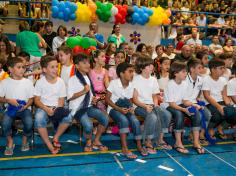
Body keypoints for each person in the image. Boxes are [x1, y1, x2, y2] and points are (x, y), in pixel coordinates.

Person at [106, 62, 147, 159]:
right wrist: (118, 109)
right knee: (123, 120)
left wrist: (131, 107)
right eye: (130, 71)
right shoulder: (114, 83)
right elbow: (107, 99)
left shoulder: (131, 85)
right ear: (121, 73)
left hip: (125, 108)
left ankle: (139, 145)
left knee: (135, 121)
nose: (132, 74)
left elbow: (129, 100)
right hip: (114, 109)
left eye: (133, 71)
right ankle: (124, 148)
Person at [68, 54, 108, 152]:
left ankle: (97, 140)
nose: (87, 65)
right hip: (77, 108)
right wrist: (83, 91)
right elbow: (69, 97)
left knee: (104, 118)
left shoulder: (87, 77)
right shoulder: (72, 79)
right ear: (77, 66)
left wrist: (93, 99)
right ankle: (89, 142)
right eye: (84, 63)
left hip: (88, 106)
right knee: (88, 125)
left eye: (88, 62)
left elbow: (89, 94)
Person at [133, 56, 172, 153]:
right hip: (139, 106)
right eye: (148, 65)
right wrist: (145, 106)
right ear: (142, 68)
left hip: (151, 104)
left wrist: (155, 104)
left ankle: (159, 139)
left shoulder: (153, 79)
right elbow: (134, 99)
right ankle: (148, 141)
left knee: (167, 114)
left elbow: (155, 95)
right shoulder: (135, 79)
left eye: (151, 65)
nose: (151, 67)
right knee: (153, 117)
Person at [34, 56, 72, 154]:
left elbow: (61, 100)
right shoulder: (40, 82)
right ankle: (49, 145)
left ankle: (56, 137)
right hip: (43, 107)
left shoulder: (60, 82)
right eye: (52, 67)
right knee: (39, 118)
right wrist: (46, 109)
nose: (56, 69)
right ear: (44, 70)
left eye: (56, 66)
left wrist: (56, 109)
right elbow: (37, 100)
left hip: (57, 107)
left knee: (68, 118)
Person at [164, 61, 202, 154]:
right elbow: (172, 104)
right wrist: (184, 109)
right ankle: (178, 143)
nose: (186, 74)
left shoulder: (185, 83)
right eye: (184, 72)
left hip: (181, 104)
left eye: (186, 71)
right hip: (169, 106)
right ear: (175, 73)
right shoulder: (170, 84)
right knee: (179, 114)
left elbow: (185, 100)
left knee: (196, 113)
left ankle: (196, 142)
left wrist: (194, 105)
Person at [0, 57, 34, 155]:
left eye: (23, 67)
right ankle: (10, 141)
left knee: (29, 123)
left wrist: (26, 105)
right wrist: (8, 100)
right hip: (10, 109)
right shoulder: (4, 82)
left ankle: (25, 138)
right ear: (10, 69)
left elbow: (31, 99)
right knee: (5, 123)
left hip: (25, 109)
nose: (22, 69)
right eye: (19, 67)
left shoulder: (27, 82)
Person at [202, 59, 236, 139]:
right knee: (218, 113)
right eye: (221, 68)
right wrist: (219, 106)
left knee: (233, 112)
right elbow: (207, 96)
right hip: (209, 103)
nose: (223, 70)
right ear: (213, 69)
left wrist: (228, 104)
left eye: (224, 68)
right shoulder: (206, 79)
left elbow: (224, 95)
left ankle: (220, 127)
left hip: (221, 102)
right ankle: (210, 129)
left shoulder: (223, 79)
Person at [185, 59, 212, 145]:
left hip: (194, 102)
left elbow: (199, 91)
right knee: (198, 115)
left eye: (202, 67)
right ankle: (194, 137)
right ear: (192, 69)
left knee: (207, 114)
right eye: (199, 68)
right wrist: (192, 103)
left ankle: (198, 134)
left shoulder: (201, 79)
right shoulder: (184, 78)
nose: (201, 70)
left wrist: (197, 99)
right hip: (184, 102)